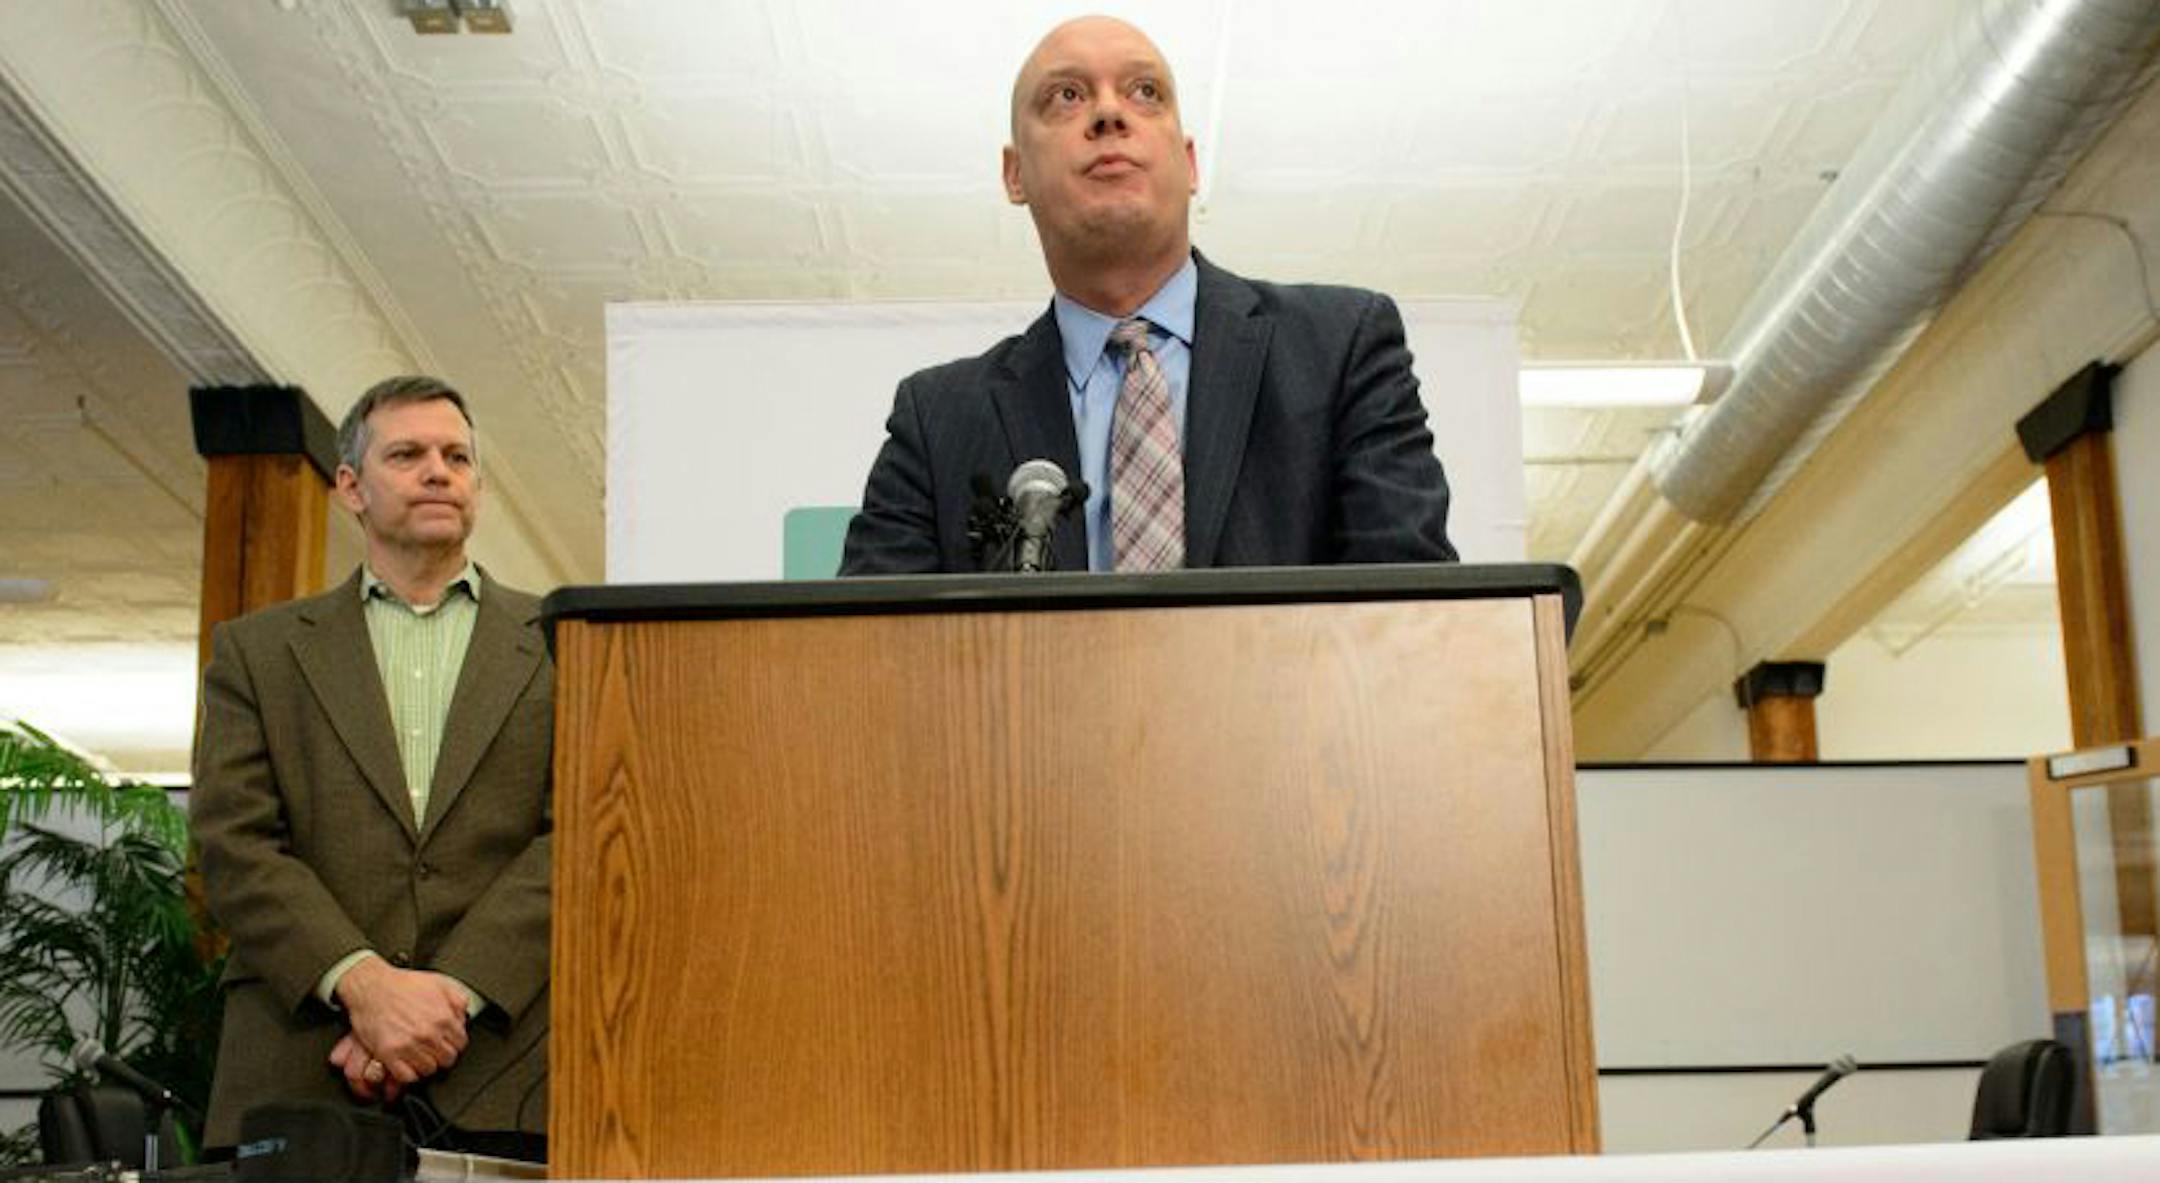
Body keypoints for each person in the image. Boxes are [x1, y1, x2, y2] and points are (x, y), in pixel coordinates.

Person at [841, 15, 1456, 575]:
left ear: (1188, 163)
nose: (1109, 115)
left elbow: (1415, 620)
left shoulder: (1341, 349)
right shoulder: (938, 417)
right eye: (1067, 96)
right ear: (1015, 174)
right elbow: (862, 655)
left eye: (1145, 93)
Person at [191, 376, 550, 1158]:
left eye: (457, 456)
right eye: (408, 453)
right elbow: (234, 842)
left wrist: (443, 999)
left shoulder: (563, 642)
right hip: (300, 1061)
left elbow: (580, 838)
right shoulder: (258, 651)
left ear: (477, 487)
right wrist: (364, 984)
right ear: (350, 487)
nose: (438, 470)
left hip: (504, 1067)